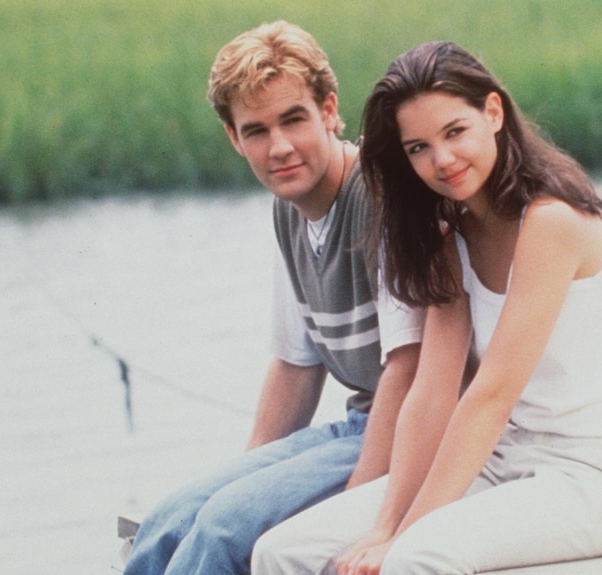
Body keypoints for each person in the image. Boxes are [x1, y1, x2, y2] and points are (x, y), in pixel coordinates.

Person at [252, 40, 602, 575]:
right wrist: (384, 524)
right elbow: (432, 392)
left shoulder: (551, 222)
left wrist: (401, 537)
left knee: (416, 557)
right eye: (418, 148)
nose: (442, 160)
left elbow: (491, 394)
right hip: (507, 461)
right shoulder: (451, 235)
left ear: (493, 113)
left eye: (455, 132)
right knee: (281, 550)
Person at [123, 21, 424, 575]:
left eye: (294, 119)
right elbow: (294, 366)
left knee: (224, 529)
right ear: (234, 139)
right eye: (256, 130)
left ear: (329, 110)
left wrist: (351, 507)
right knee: (171, 518)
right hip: (359, 425)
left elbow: (408, 372)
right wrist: (246, 476)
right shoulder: (289, 210)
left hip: (404, 434)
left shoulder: (379, 198)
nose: (280, 147)